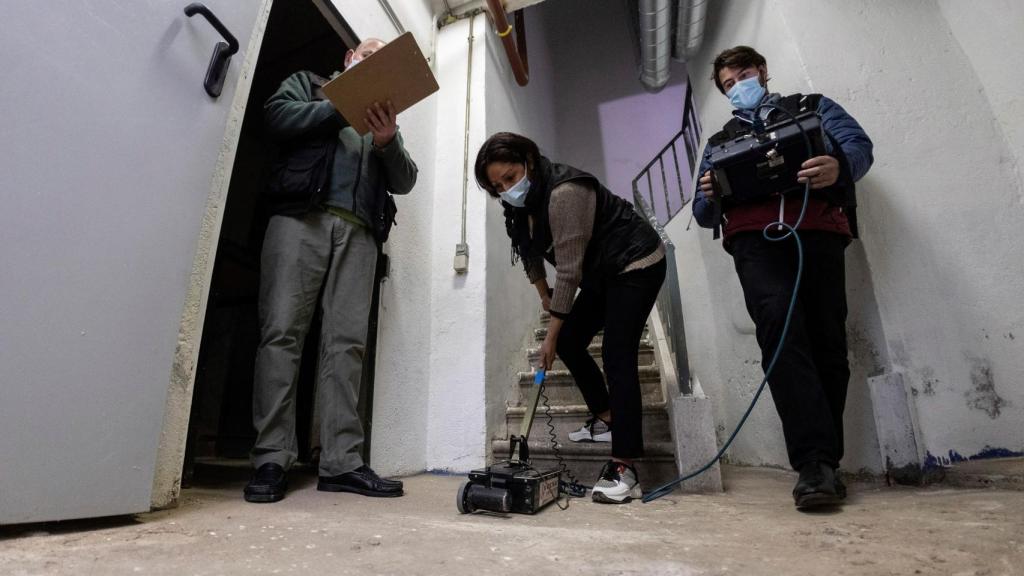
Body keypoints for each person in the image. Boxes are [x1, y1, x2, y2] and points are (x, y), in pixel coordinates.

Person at [692, 46, 873, 509]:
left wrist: (838, 167)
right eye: (729, 84)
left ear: (763, 72)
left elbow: (859, 147)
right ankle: (813, 462)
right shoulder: (718, 141)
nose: (739, 86)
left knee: (826, 338)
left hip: (818, 229)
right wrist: (710, 194)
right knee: (778, 330)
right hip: (755, 241)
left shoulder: (812, 108)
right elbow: (703, 211)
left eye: (744, 75)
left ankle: (825, 464)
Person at [244, 38, 417, 503]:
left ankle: (342, 461)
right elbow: (276, 116)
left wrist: (386, 141)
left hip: (360, 233)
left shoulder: (385, 120)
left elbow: (404, 179)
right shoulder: (312, 85)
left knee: (347, 346)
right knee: (281, 332)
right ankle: (272, 457)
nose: (374, 61)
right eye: (367, 55)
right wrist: (341, 108)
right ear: (349, 60)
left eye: (383, 60)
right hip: (300, 218)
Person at [475, 132, 666, 504]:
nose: (505, 190)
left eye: (510, 178)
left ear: (529, 161)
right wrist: (544, 298)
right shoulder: (519, 206)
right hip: (602, 273)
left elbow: (569, 271)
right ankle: (608, 418)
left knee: (616, 352)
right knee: (569, 342)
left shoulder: (564, 192)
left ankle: (625, 467)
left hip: (637, 261)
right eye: (497, 186)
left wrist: (549, 334)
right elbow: (529, 253)